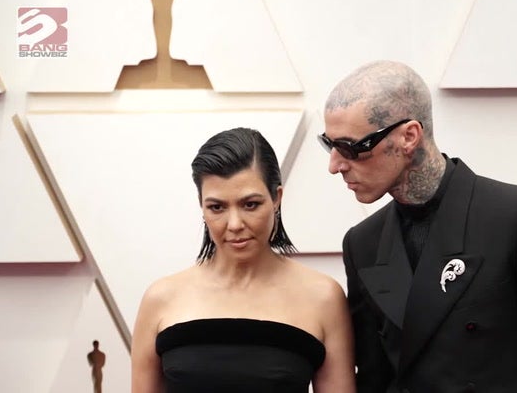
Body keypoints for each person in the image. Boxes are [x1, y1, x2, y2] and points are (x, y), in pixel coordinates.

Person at [318, 60, 517, 392]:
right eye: (329, 145)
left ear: (409, 136)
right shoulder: (362, 243)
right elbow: (374, 378)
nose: (335, 166)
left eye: (351, 148)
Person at [131, 127, 355, 392]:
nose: (235, 224)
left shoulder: (323, 297)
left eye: (250, 205)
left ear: (276, 198)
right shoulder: (161, 298)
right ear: (202, 206)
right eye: (217, 207)